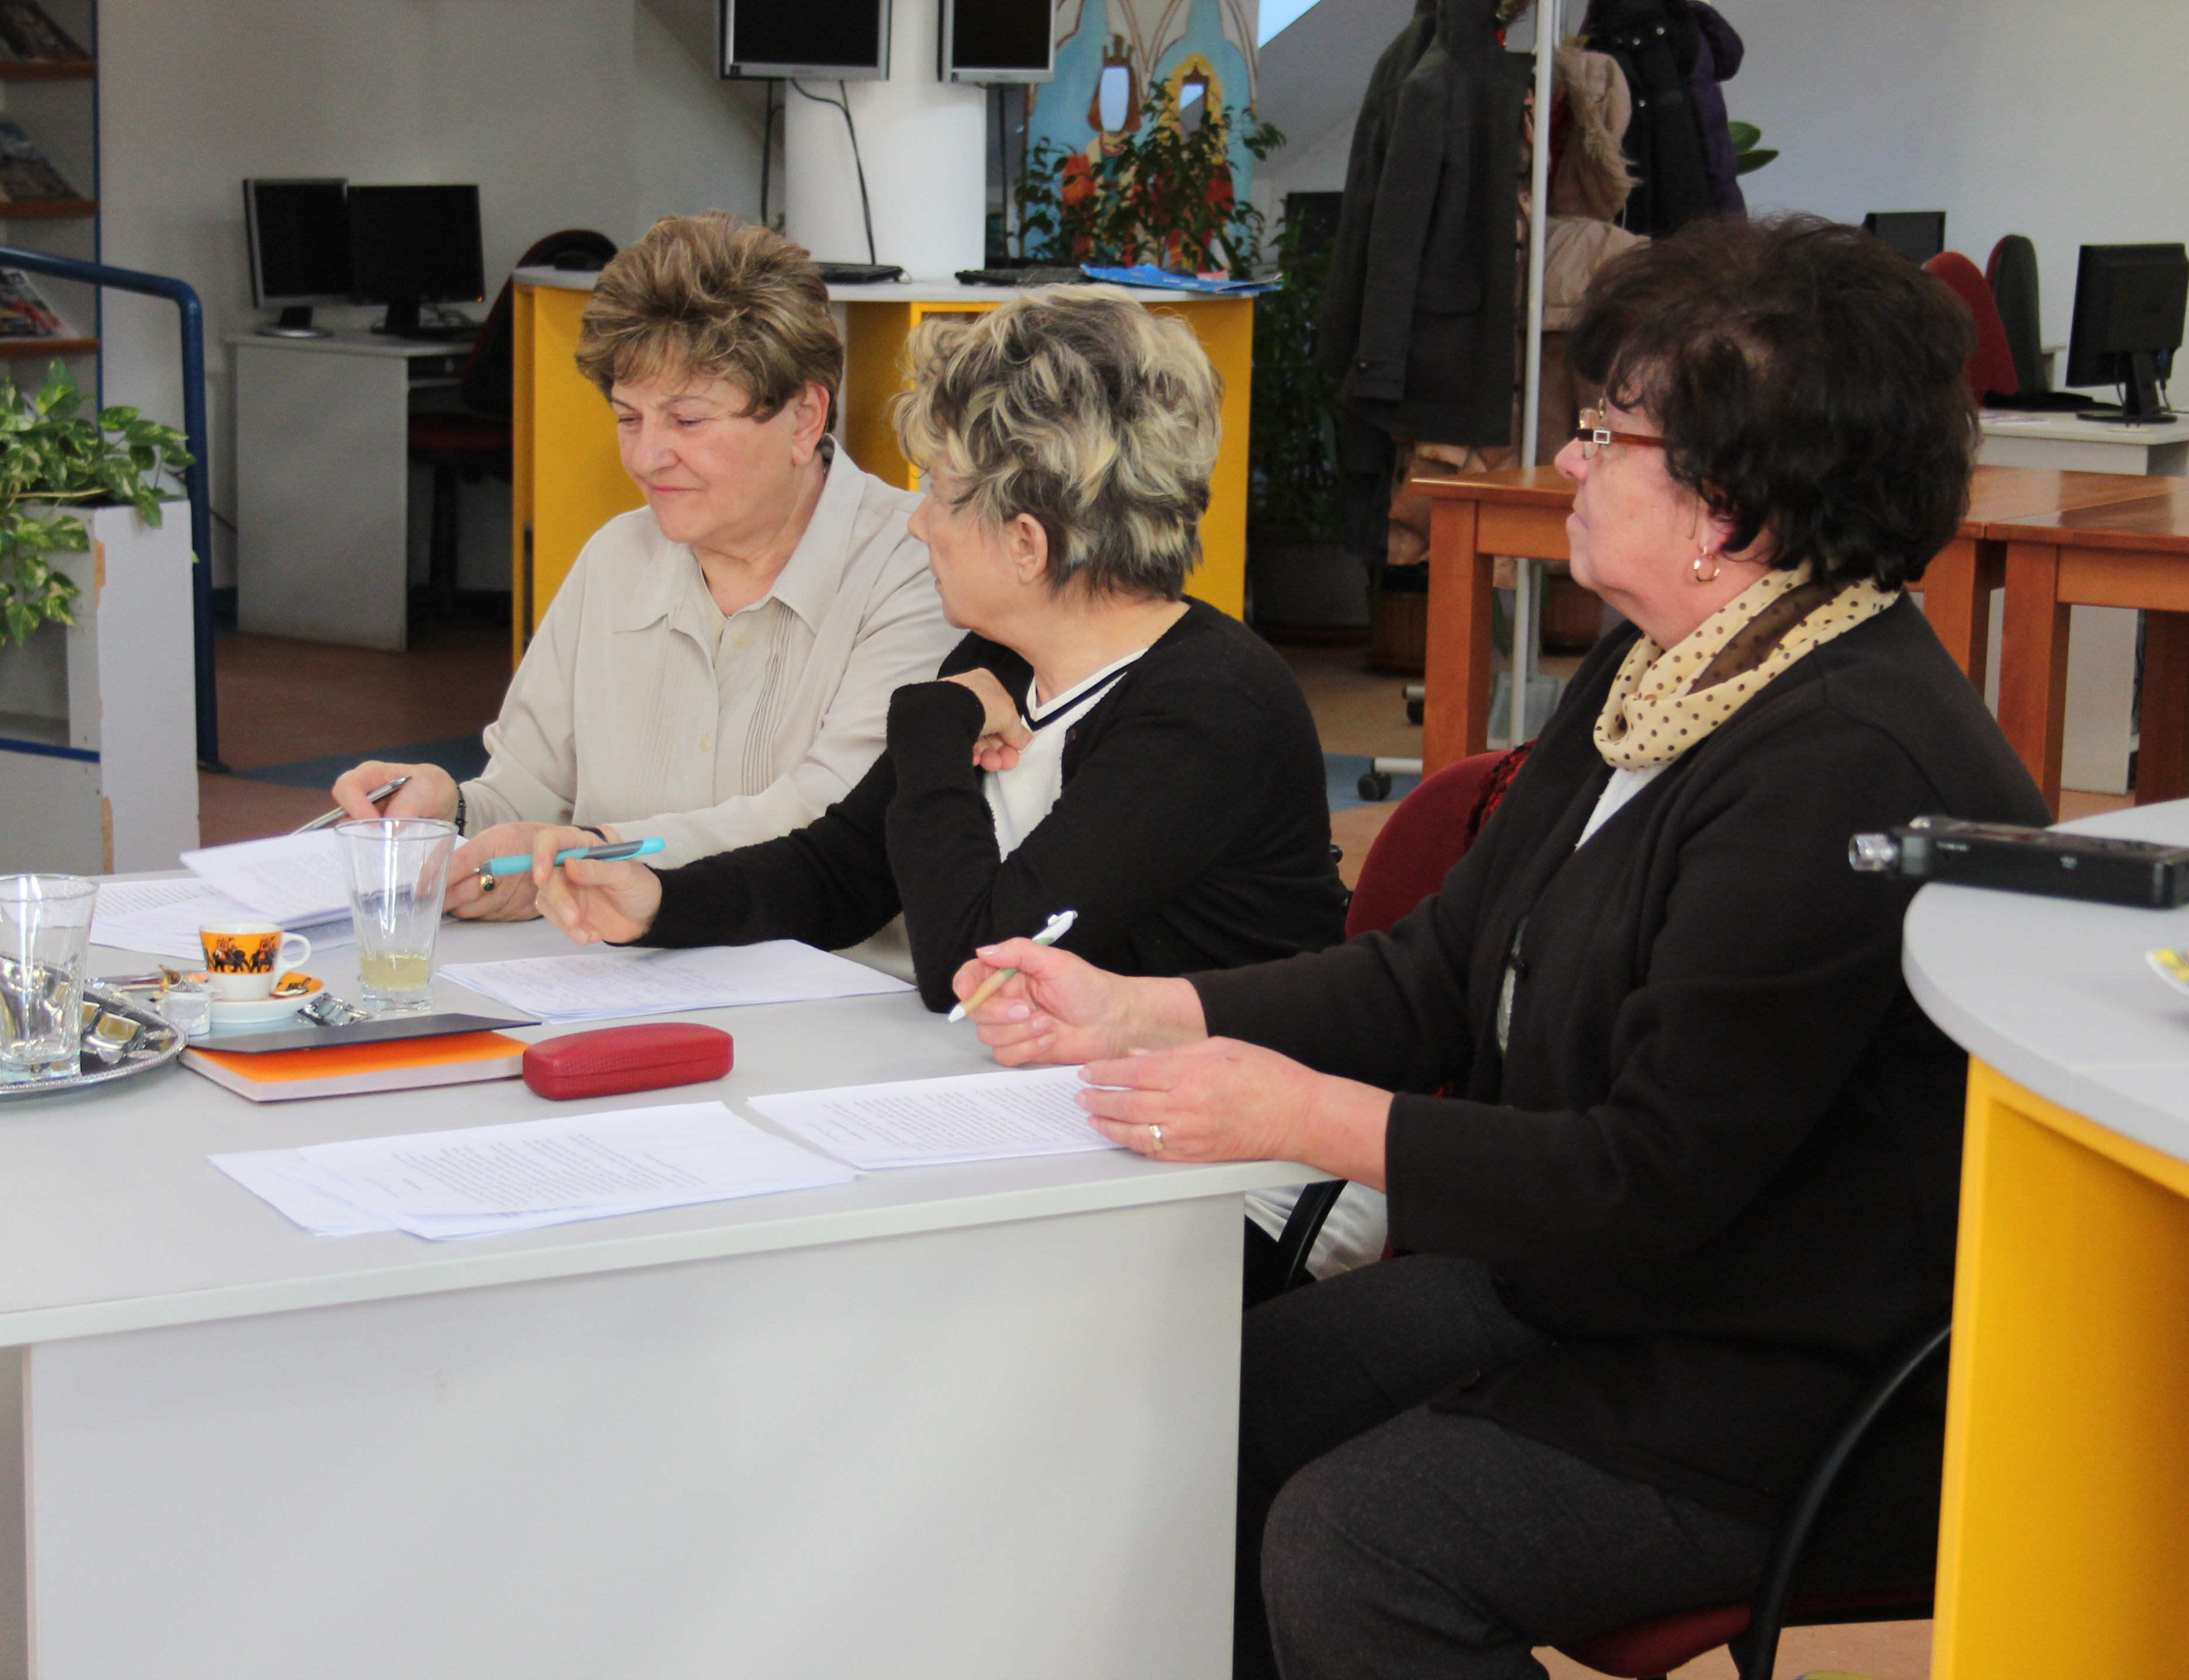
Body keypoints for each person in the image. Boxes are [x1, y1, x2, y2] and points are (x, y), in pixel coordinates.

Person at [956, 216, 2052, 1678]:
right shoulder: (1664, 665)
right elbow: (1440, 967)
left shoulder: (1846, 760)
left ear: (1730, 505)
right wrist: (1144, 1009)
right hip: (1620, 1285)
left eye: (1605, 433)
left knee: (1360, 1545)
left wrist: (1301, 1114)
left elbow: (1647, 1174)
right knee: (1215, 1408)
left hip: (1798, 1364)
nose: (1567, 463)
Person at [522, 286, 1346, 1016]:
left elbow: (971, 966)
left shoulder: (1207, 707)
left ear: (1027, 544)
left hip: (1221, 1131)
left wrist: (929, 724)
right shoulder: (1003, 660)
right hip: (1056, 1101)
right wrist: (660, 901)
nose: (917, 524)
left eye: (941, 495)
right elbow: (842, 870)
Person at [330, 211, 961, 920]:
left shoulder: (918, 568)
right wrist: (448, 813)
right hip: (608, 976)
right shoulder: (615, 558)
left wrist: (593, 853)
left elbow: (830, 827)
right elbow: (530, 796)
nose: (645, 457)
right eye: (628, 418)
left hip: (835, 980)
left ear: (805, 417)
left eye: (687, 420)